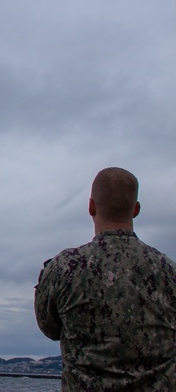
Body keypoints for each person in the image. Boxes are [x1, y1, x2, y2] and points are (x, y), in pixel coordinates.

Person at [34, 167, 176, 390]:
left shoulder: (64, 268)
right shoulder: (169, 272)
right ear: (136, 209)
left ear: (91, 206)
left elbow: (49, 328)